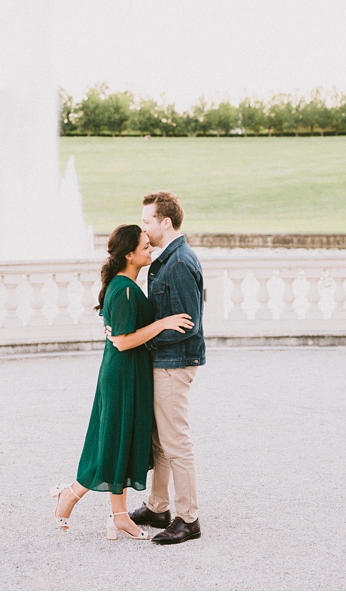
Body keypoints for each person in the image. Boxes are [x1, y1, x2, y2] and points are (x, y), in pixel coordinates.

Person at [48, 224, 193, 540]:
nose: (150, 249)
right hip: (123, 373)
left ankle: (118, 514)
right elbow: (124, 342)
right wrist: (164, 323)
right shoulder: (125, 289)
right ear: (129, 254)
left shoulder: (124, 285)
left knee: (119, 439)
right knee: (113, 440)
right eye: (144, 247)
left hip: (127, 372)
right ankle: (72, 495)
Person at [128, 190, 206, 545]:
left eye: (147, 222)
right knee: (160, 440)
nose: (143, 229)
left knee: (176, 442)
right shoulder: (167, 259)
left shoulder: (178, 263)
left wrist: (146, 341)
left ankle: (188, 518)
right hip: (165, 361)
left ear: (165, 222)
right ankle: (158, 507)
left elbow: (188, 323)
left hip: (175, 364)